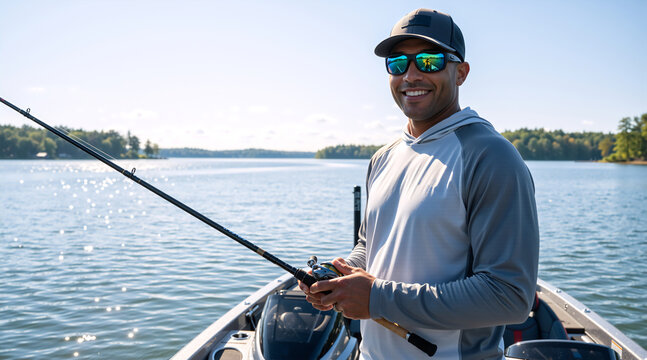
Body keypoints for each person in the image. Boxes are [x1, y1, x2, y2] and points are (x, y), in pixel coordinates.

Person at [299, 8, 539, 360]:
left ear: (461, 72)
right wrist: (339, 278)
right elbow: (371, 244)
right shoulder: (383, 157)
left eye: (429, 61)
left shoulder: (491, 156)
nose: (411, 75)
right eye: (397, 63)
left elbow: (509, 296)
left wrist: (377, 298)